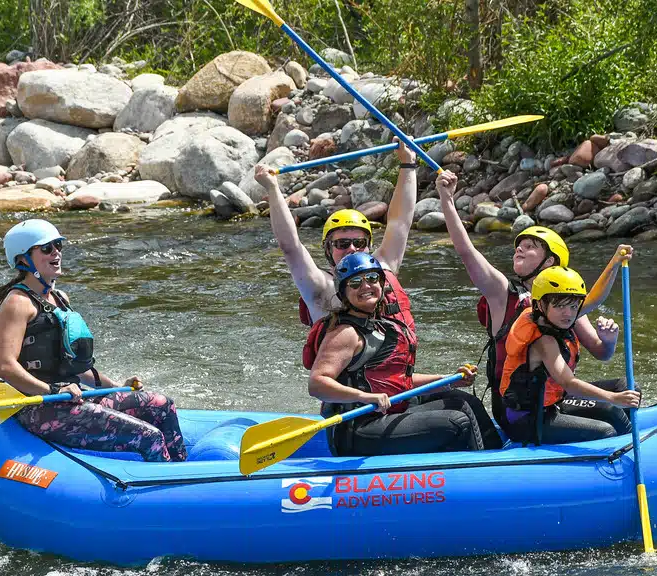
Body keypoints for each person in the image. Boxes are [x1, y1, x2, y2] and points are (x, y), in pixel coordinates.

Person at [436, 169, 633, 427]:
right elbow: (466, 251)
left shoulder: (564, 304)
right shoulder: (502, 293)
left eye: (530, 247)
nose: (520, 248)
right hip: (518, 404)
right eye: (519, 245)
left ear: (550, 261)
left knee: (627, 386)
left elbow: (602, 352)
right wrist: (447, 200)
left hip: (552, 397)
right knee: (611, 413)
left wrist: (609, 340)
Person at [0, 219, 187, 463]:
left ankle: (183, 472)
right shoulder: (17, 302)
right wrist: (53, 390)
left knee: (162, 404)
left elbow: (74, 364)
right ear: (23, 259)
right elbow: (5, 366)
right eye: (46, 248)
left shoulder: (60, 298)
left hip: (72, 398)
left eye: (58, 245)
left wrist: (117, 385)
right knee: (149, 436)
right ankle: (167, 494)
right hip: (41, 406)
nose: (56, 252)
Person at [304, 253, 498, 456]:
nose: (365, 286)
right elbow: (317, 384)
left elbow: (397, 381)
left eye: (371, 278)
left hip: (386, 413)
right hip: (358, 430)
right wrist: (364, 397)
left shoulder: (378, 325)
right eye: (355, 282)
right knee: (457, 421)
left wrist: (448, 380)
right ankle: (483, 475)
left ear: (380, 282)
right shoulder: (346, 333)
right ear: (343, 292)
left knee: (464, 402)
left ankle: (499, 459)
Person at [254, 139, 418, 330]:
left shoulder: (384, 266)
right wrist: (273, 188)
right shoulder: (320, 286)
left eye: (359, 243)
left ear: (369, 245)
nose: (352, 249)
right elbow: (290, 245)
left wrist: (408, 163)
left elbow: (400, 223)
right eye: (342, 244)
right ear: (328, 249)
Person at [499, 266, 641, 445]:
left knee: (628, 386)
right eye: (559, 306)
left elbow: (595, 299)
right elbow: (568, 383)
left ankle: (631, 442)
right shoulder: (544, 341)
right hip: (529, 418)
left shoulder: (555, 319)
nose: (568, 313)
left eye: (574, 306)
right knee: (607, 428)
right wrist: (613, 398)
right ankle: (626, 451)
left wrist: (609, 340)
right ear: (540, 304)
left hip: (554, 402)